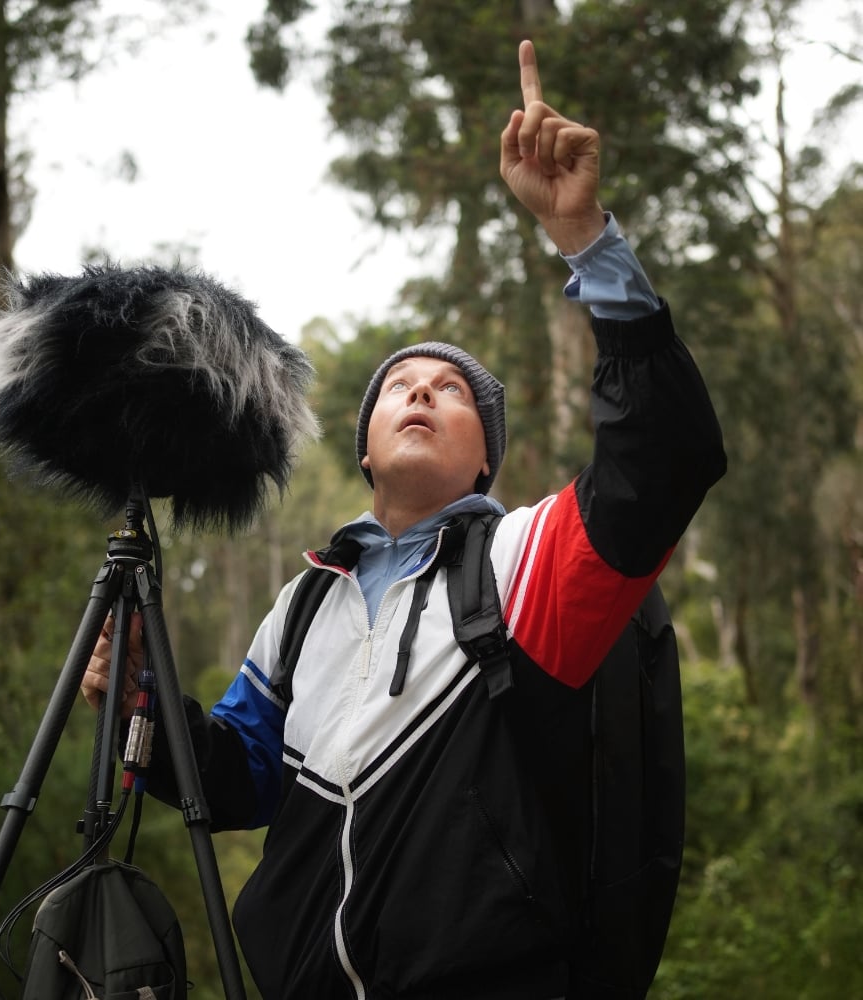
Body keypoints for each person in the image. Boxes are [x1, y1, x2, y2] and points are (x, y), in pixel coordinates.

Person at [82, 39, 726, 1000]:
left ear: (483, 457)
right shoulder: (302, 606)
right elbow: (239, 783)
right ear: (369, 448)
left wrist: (587, 238)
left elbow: (662, 463)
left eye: (451, 391)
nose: (423, 392)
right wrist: (140, 701)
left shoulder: (520, 558)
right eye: (400, 388)